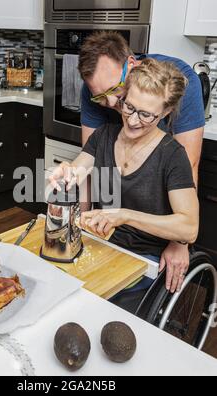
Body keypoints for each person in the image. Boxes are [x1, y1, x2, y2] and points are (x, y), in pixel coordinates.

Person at [50, 58, 199, 294]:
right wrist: (67, 171)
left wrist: (124, 216)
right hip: (103, 244)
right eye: (128, 106)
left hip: (145, 258)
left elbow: (189, 228)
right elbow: (79, 168)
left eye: (146, 115)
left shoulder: (172, 156)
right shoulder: (104, 135)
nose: (131, 120)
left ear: (166, 112)